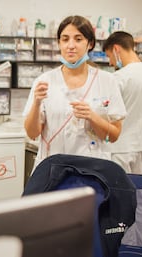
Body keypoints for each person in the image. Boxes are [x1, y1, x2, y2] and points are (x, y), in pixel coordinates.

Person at [23, 15, 126, 170]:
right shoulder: (44, 81)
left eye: (78, 39)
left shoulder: (107, 81)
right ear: (59, 43)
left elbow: (113, 136)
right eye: (65, 39)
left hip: (92, 170)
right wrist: (37, 104)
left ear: (90, 44)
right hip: (53, 170)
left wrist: (92, 117)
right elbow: (32, 133)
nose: (71, 45)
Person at [102, 31, 142, 174]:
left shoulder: (118, 78)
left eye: (109, 56)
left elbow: (105, 114)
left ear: (116, 49)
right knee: (141, 194)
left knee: (120, 193)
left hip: (120, 150)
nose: (110, 62)